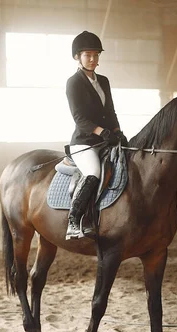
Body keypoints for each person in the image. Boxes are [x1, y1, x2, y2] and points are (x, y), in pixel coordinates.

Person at [65, 30, 128, 240]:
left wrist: (117, 132)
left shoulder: (104, 81)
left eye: (96, 55)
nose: (93, 59)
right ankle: (74, 220)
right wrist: (102, 132)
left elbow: (110, 112)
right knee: (94, 173)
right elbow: (79, 118)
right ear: (78, 57)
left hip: (107, 139)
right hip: (85, 142)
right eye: (88, 55)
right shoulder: (73, 83)